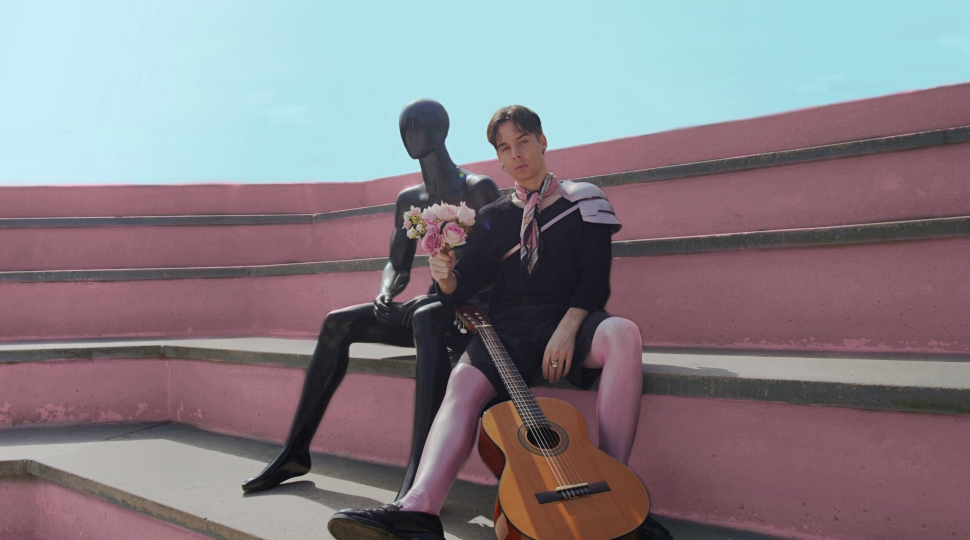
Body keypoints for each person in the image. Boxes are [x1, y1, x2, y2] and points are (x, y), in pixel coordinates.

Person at [328, 105, 672, 540]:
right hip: (510, 329)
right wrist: (446, 277)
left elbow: (594, 279)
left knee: (623, 333)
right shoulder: (491, 216)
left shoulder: (584, 199)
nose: (516, 154)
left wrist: (567, 330)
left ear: (542, 142)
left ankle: (613, 490)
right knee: (462, 381)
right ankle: (419, 509)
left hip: (572, 319)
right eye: (505, 148)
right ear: (499, 158)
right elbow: (465, 285)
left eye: (523, 141)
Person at [242, 99, 500, 498]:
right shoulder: (410, 199)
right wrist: (386, 291)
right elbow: (398, 263)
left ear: (442, 131)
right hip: (433, 309)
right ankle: (294, 452)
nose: (410, 134)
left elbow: (495, 265)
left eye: (419, 125)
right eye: (405, 128)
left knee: (426, 317)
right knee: (337, 323)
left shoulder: (476, 188)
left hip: (473, 315)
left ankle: (419, 478)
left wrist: (445, 298)